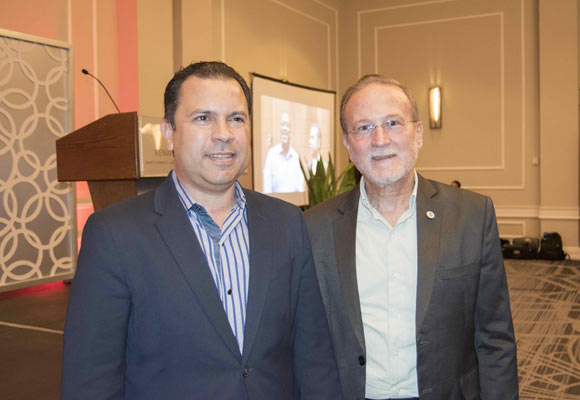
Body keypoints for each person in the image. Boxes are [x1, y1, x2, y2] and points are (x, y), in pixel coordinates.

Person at [62, 61, 342, 400]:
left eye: (236, 118)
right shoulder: (114, 235)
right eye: (203, 118)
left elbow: (314, 357)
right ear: (168, 134)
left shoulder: (288, 224)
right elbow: (91, 381)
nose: (223, 133)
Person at [305, 74, 518, 400]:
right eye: (363, 127)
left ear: (417, 133)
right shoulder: (315, 228)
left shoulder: (472, 217)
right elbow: (306, 343)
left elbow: (494, 339)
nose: (380, 139)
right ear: (348, 145)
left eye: (393, 123)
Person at [263, 113, 305, 193]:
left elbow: (301, 188)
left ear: (291, 131)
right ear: (279, 128)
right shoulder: (271, 154)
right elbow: (267, 188)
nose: (284, 129)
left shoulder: (296, 157)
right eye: (282, 124)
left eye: (287, 125)